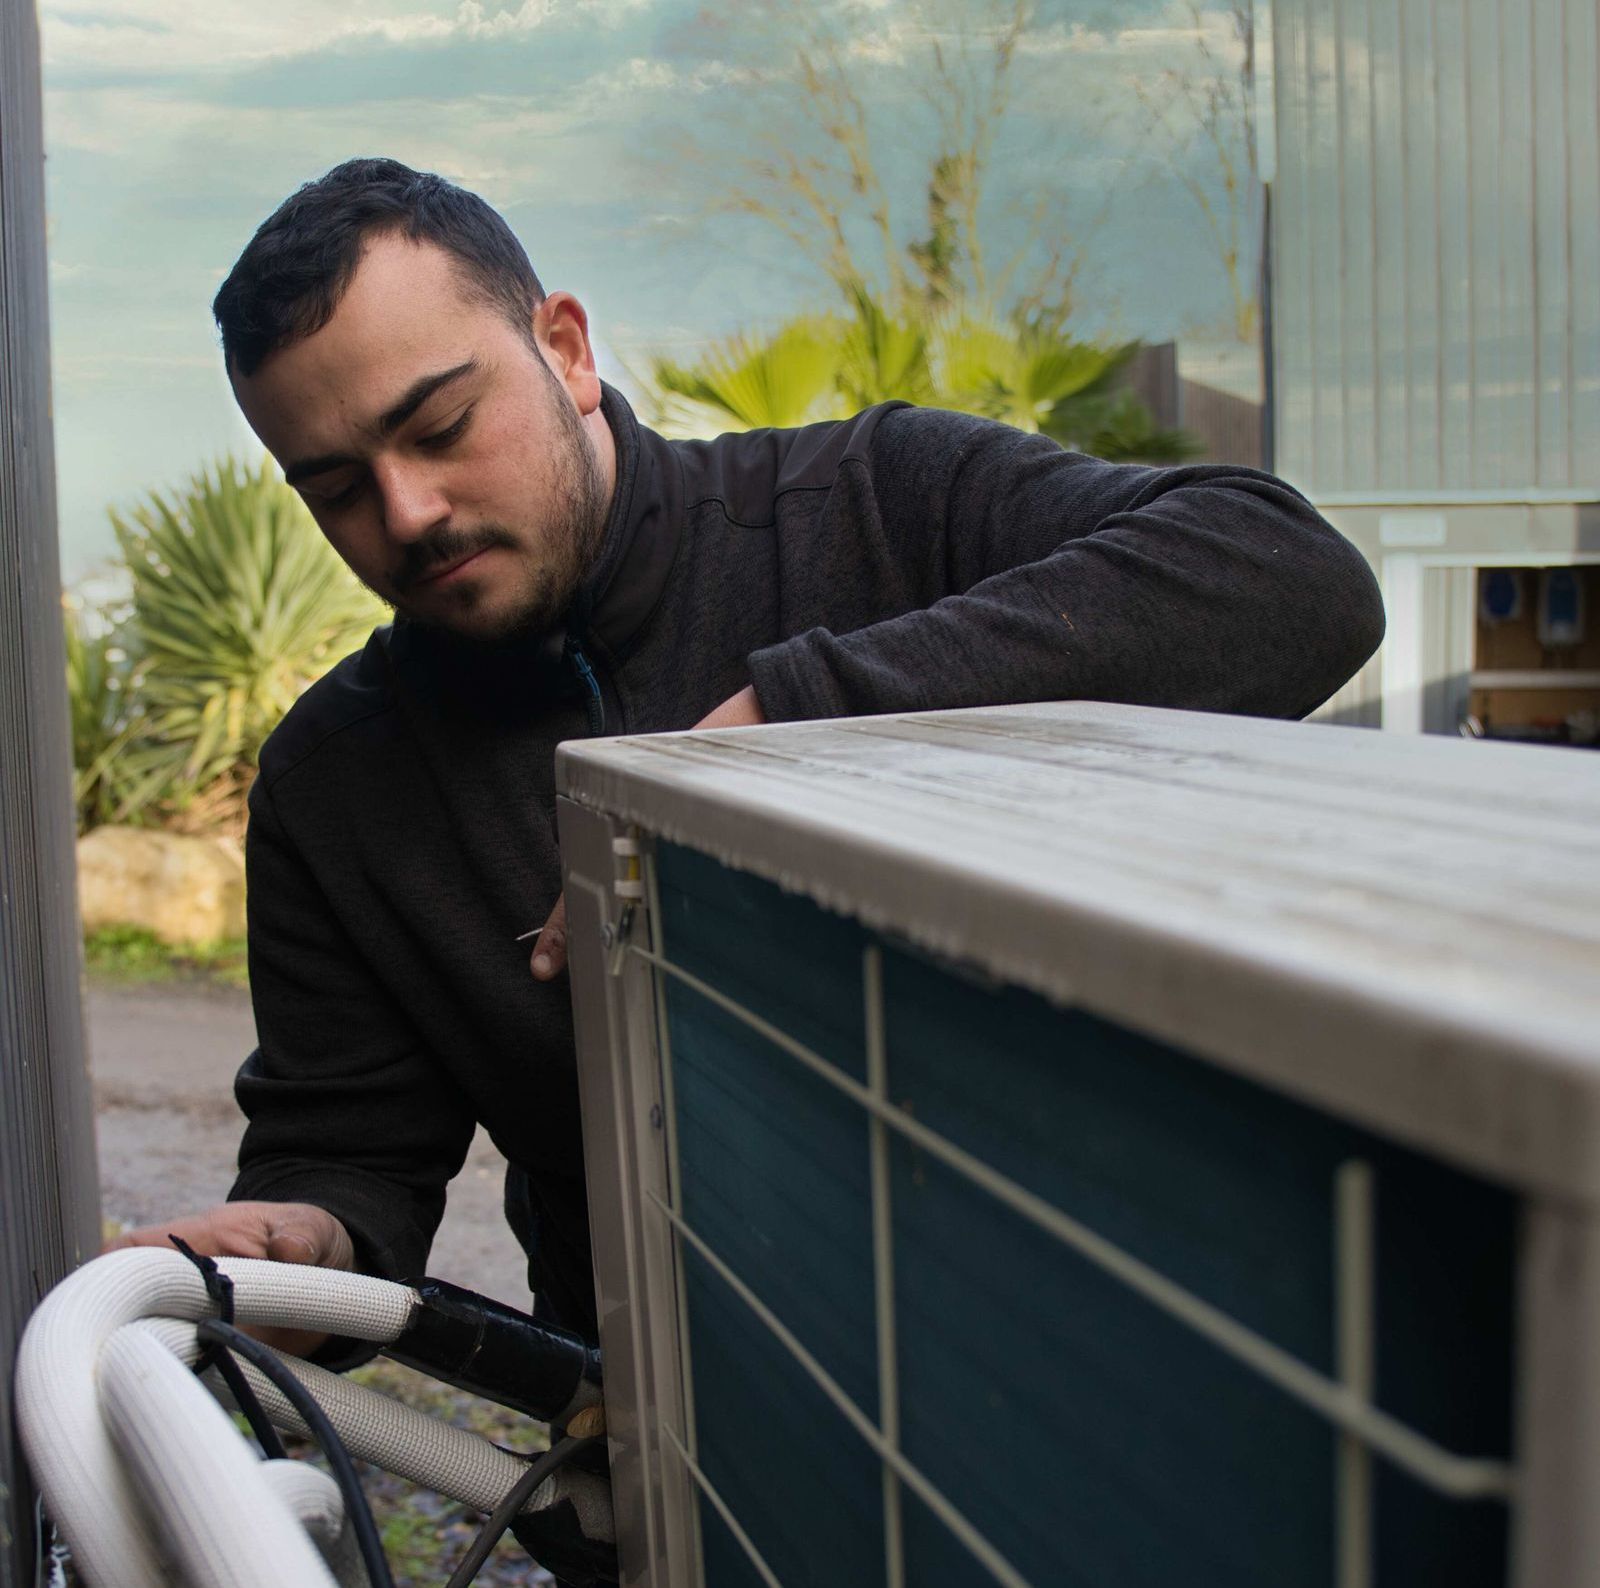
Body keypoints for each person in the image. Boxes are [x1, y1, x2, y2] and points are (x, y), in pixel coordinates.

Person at [111, 153, 1383, 1556]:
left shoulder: (875, 504)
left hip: (1074, 1429)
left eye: (441, 424)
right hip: (679, 1490)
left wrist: (792, 724)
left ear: (566, 350)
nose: (405, 515)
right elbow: (351, 1174)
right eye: (337, 486)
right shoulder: (331, 785)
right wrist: (290, 1251)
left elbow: (1290, 577)